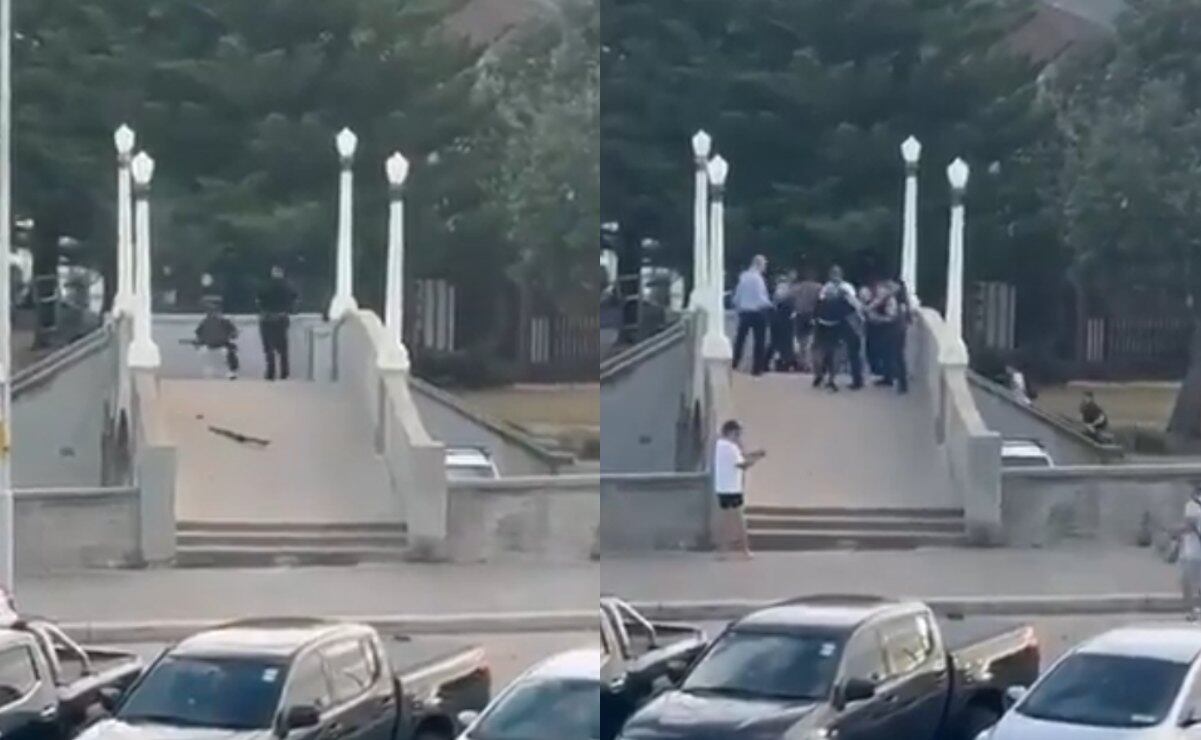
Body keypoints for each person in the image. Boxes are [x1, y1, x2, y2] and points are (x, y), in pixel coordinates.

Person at [713, 420, 765, 559]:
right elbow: (742, 464)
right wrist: (756, 459)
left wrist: (752, 454)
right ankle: (745, 550)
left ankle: (722, 551)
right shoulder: (731, 447)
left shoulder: (719, 445)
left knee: (725, 520)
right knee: (739, 520)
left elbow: (739, 457)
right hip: (733, 488)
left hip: (721, 487)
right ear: (731, 432)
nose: (739, 437)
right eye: (737, 434)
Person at [811, 278, 857, 391]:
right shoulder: (821, 303)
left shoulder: (841, 302)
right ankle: (820, 375)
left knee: (835, 356)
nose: (830, 293)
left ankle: (831, 379)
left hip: (836, 330)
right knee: (818, 356)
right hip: (823, 330)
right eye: (828, 292)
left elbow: (853, 310)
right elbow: (814, 316)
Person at [732, 255, 772, 375]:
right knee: (759, 341)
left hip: (744, 311)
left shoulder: (743, 277)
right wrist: (770, 304)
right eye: (764, 264)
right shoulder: (758, 279)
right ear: (759, 264)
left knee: (740, 339)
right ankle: (757, 368)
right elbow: (761, 297)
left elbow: (737, 296)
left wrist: (738, 306)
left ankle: (735, 362)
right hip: (758, 312)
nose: (765, 267)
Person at [257, 265, 298, 381]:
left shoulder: (265, 286)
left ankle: (271, 372)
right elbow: (294, 299)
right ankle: (284, 372)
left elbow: (259, 300)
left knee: (268, 347)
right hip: (281, 317)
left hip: (267, 317)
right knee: (283, 347)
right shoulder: (288, 286)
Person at [193, 299, 239, 380]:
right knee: (205, 353)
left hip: (222, 346)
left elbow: (234, 334)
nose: (212, 313)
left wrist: (232, 334)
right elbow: (198, 336)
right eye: (210, 311)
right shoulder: (205, 322)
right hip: (208, 347)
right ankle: (211, 372)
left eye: (214, 311)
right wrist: (198, 343)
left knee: (229, 352)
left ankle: (231, 372)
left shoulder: (225, 322)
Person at [791, 267, 822, 372]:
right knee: (810, 341)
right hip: (811, 315)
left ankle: (801, 363)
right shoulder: (819, 287)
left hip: (799, 315)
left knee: (799, 340)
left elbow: (791, 298)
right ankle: (809, 364)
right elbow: (821, 301)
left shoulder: (797, 287)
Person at [1179, 486, 1201, 621]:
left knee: (1188, 582)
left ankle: (1191, 611)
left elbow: (1188, 526)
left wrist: (1174, 531)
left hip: (1193, 552)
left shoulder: (1192, 505)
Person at [768, 272, 797, 372]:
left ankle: (781, 362)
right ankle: (786, 362)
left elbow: (776, 302)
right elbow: (782, 300)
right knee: (785, 342)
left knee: (777, 342)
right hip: (784, 318)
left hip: (779, 318)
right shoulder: (784, 288)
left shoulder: (780, 289)